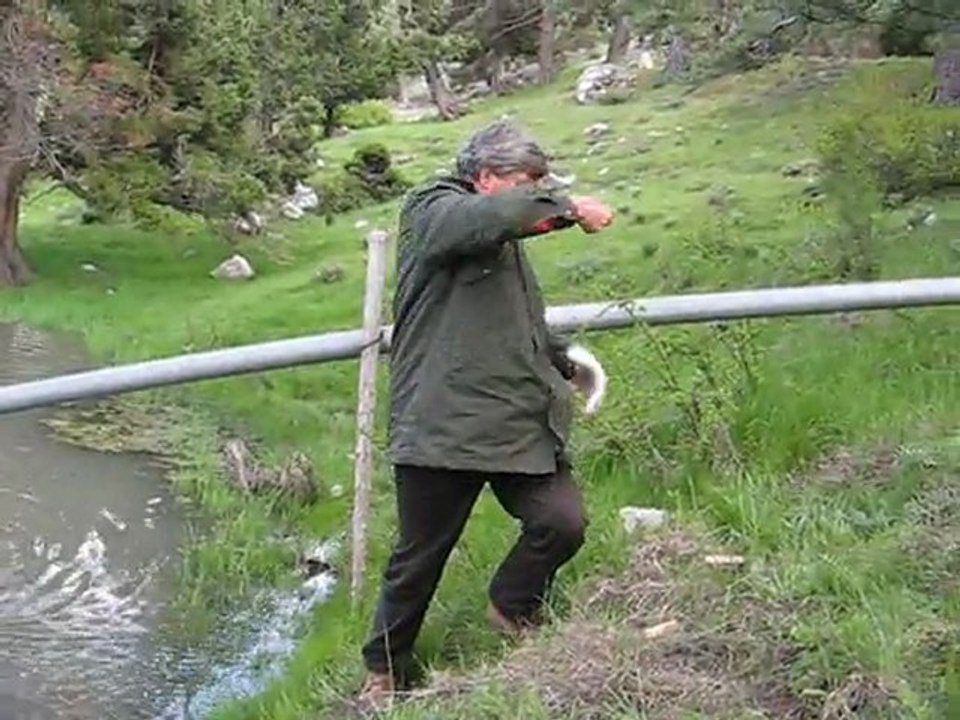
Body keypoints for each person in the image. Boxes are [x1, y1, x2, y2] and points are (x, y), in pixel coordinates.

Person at [357, 118, 614, 708]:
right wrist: (568, 206)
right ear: (487, 178)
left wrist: (571, 362)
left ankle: (511, 605)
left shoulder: (504, 240)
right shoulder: (435, 208)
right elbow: (477, 223)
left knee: (562, 522)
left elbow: (516, 323)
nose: (535, 198)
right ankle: (384, 672)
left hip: (514, 420)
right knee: (419, 559)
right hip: (441, 425)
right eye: (527, 184)